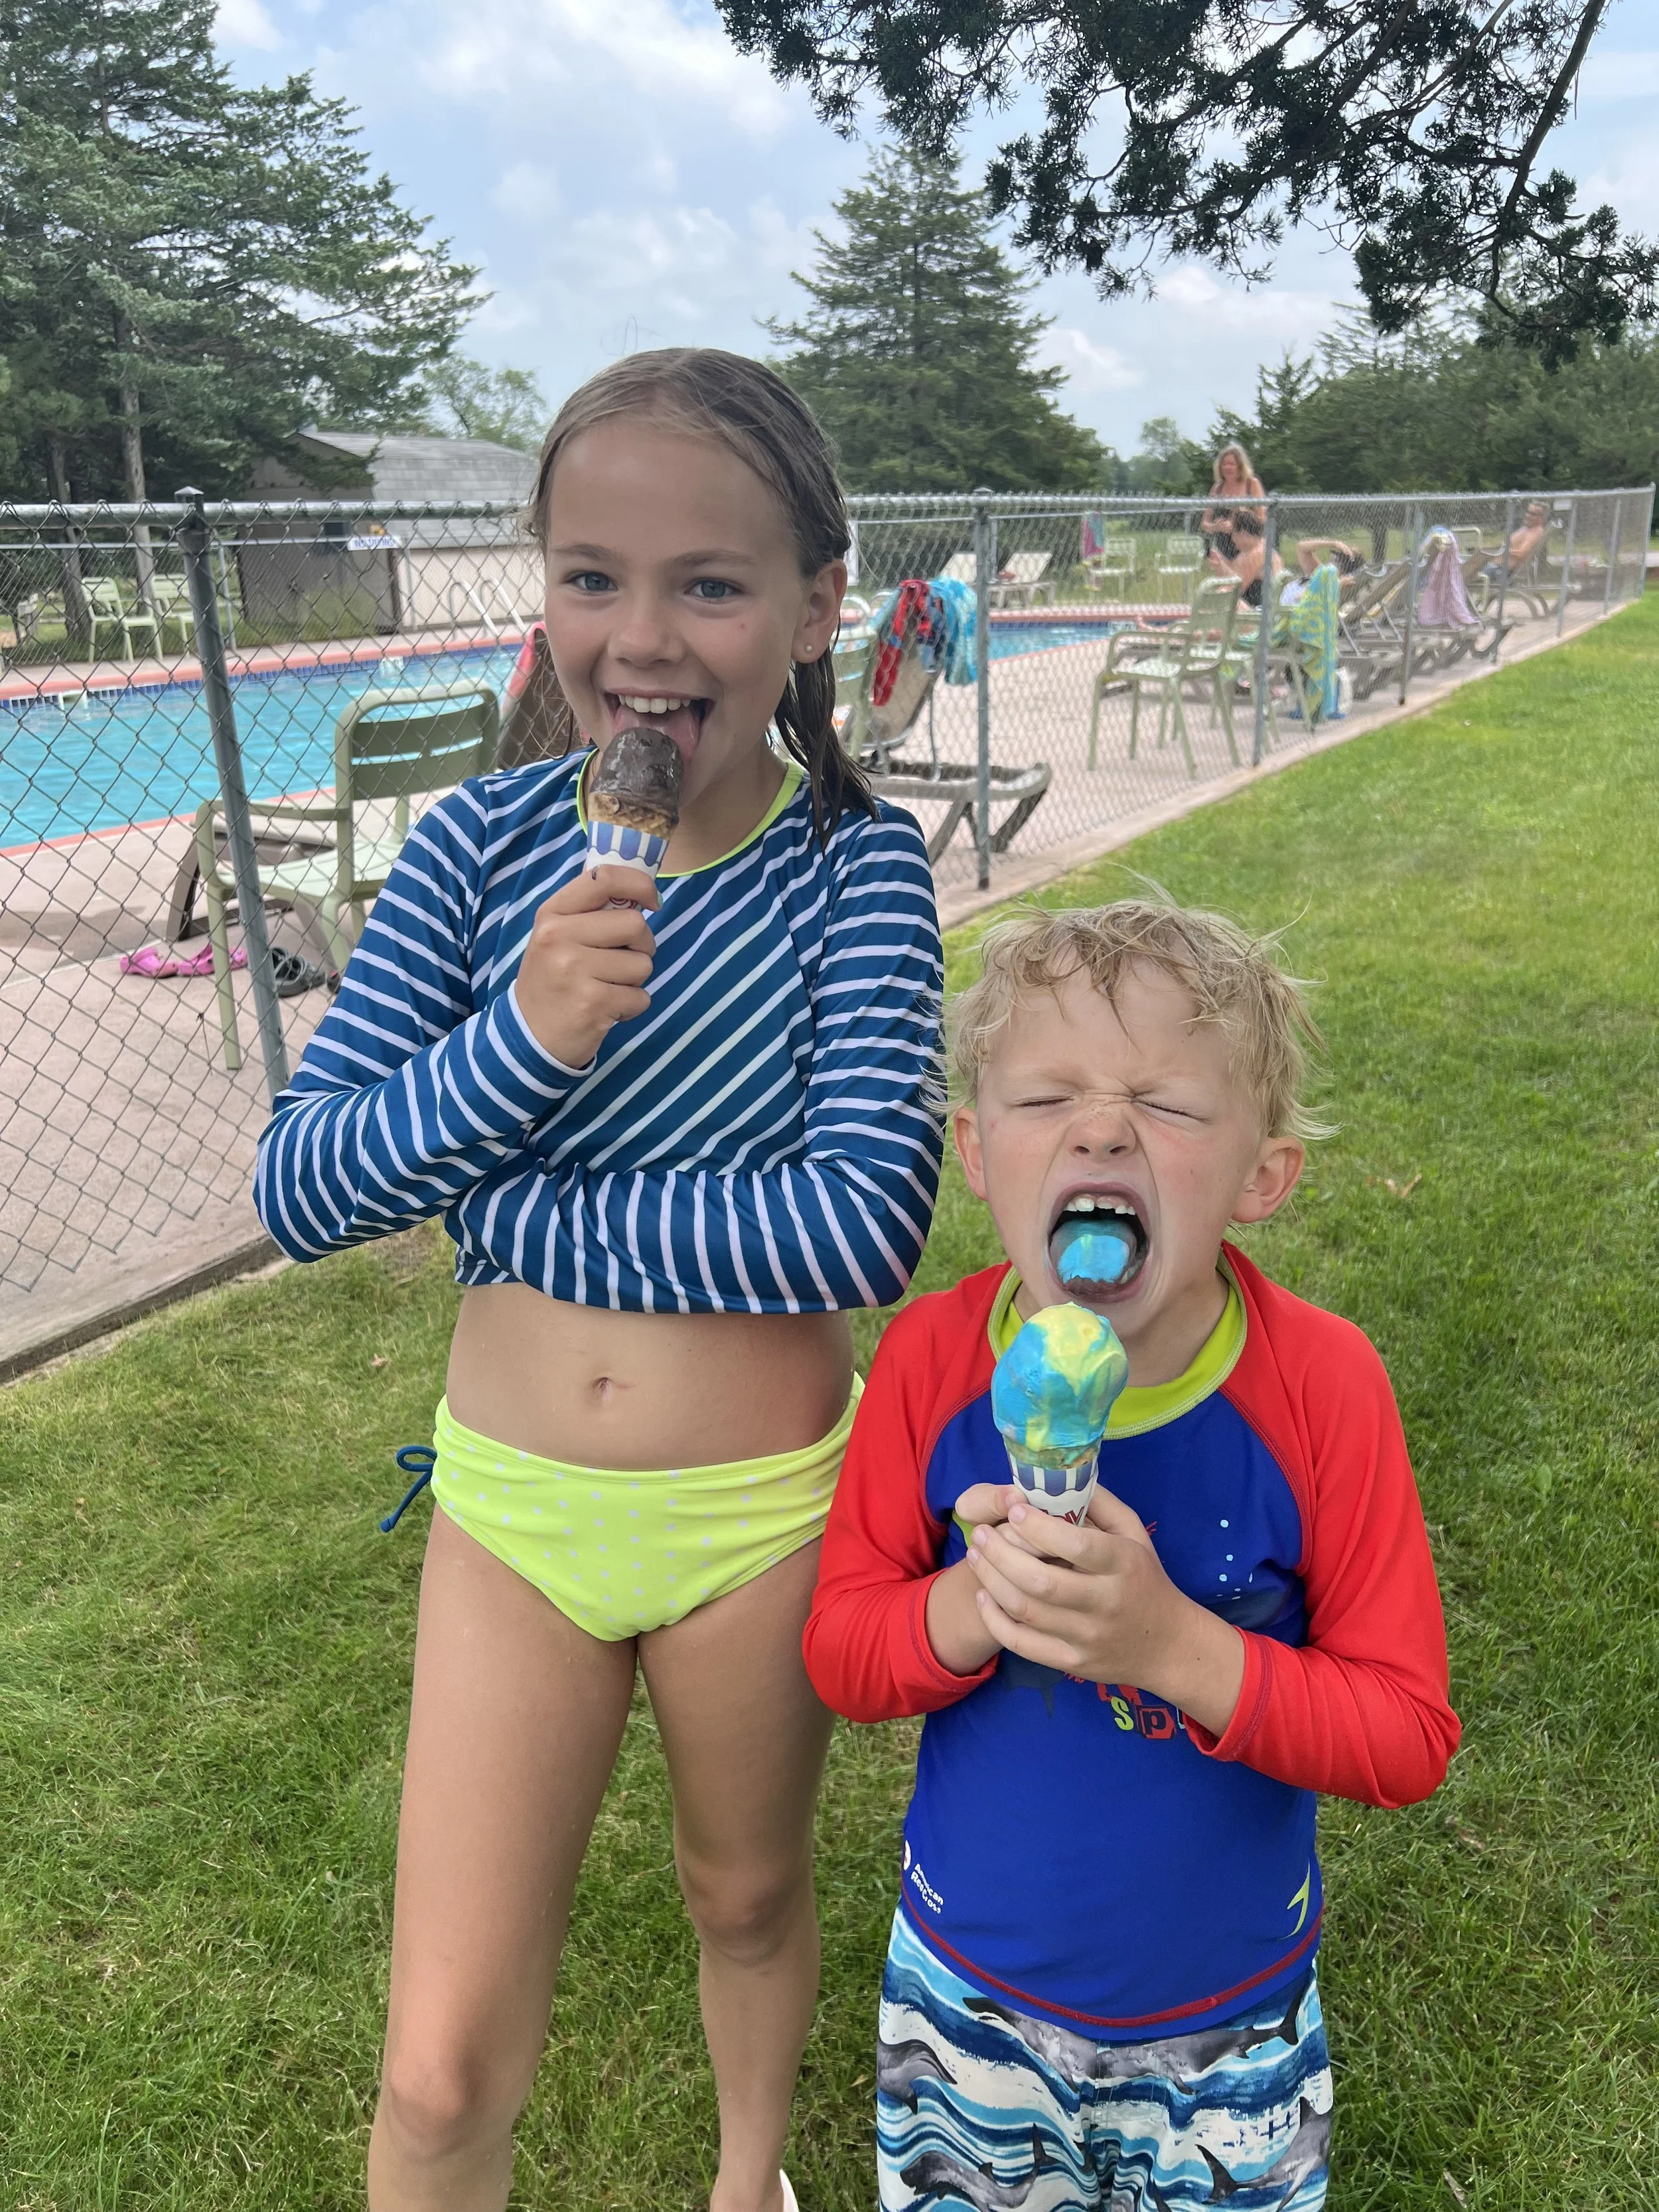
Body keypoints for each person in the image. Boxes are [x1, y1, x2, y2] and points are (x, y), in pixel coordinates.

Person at [253, 348, 945, 2212]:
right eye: (591, 576)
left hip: (756, 1508)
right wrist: (522, 1049)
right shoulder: (474, 859)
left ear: (812, 610)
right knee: (434, 2059)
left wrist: (505, 1206)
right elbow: (305, 1183)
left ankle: (746, 2177)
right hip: (514, 1510)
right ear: (542, 586)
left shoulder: (854, 873)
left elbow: (860, 1219)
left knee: (743, 1887)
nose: (642, 638)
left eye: (708, 585)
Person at [805, 901, 1459, 2211]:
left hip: (1227, 2019)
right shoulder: (933, 1366)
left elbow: (1402, 1734)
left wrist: (1174, 1646)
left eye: (1162, 1104)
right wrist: (967, 1604)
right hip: (966, 1998)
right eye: (1048, 1096)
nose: (1099, 1129)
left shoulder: (1320, 1389)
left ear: (1257, 1178)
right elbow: (840, 1652)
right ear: (979, 1154)